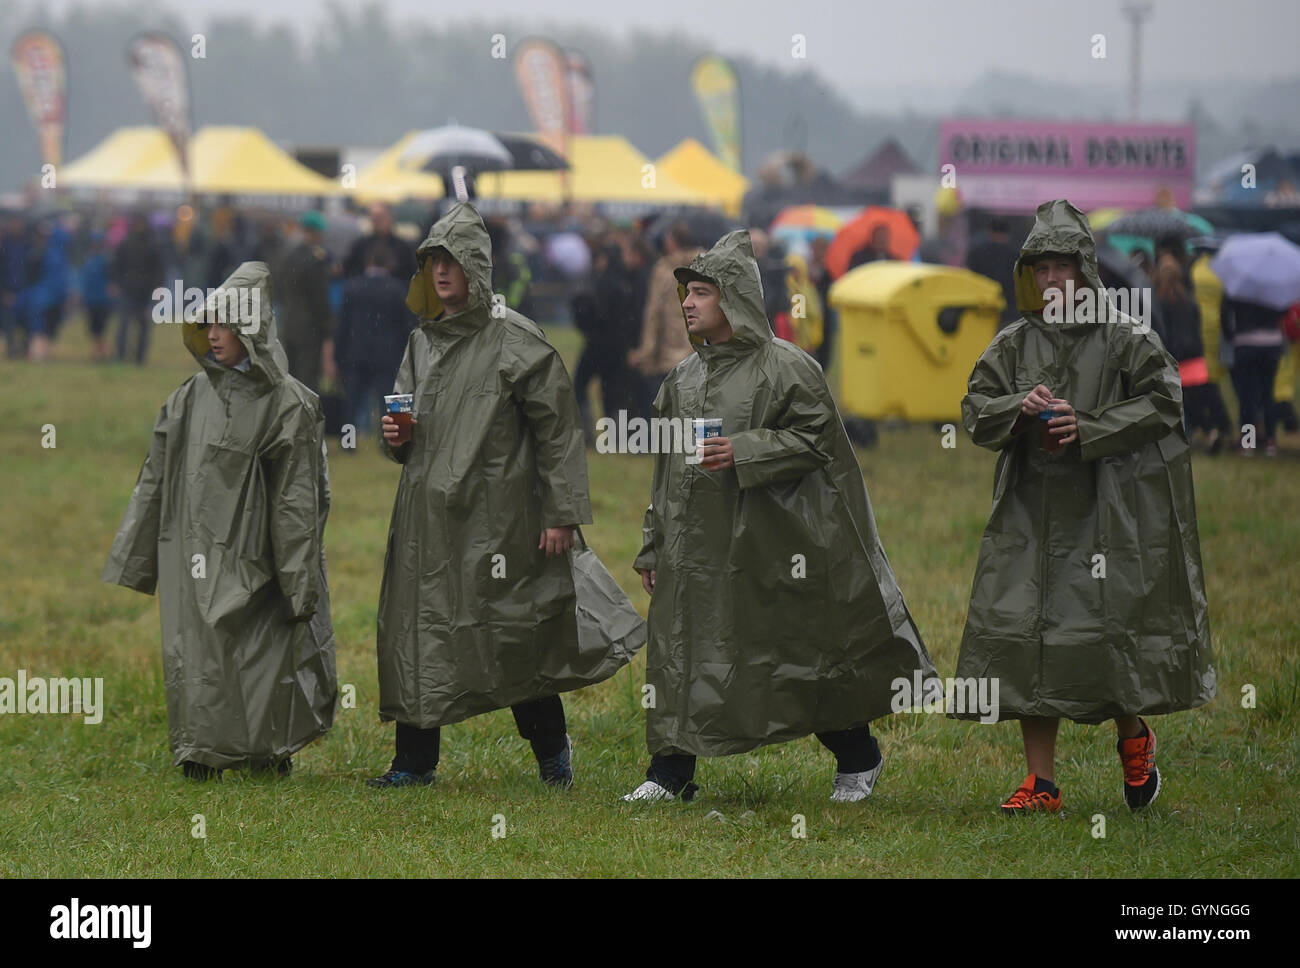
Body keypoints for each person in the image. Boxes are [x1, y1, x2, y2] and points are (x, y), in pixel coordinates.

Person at [627, 230, 936, 803]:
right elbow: (665, 472)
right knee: (682, 648)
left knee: (798, 652)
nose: (687, 303)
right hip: (697, 545)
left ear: (735, 297)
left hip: (776, 542)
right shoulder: (682, 380)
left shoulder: (789, 366)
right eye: (686, 293)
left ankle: (857, 755)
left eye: (701, 292)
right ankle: (669, 773)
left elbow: (818, 440)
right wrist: (653, 544)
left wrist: (744, 450)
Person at [955, 199, 1214, 815]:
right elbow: (973, 409)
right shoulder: (1014, 342)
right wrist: (1013, 408)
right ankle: (1041, 784)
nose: (1049, 282)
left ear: (1085, 270)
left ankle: (1134, 737)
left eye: (1061, 268)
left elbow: (1165, 399)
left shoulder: (1126, 337)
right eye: (1039, 269)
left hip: (1103, 513)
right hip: (1026, 513)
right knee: (1026, 634)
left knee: (1100, 635)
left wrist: (1092, 425)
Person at [371, 202, 635, 789]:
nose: (441, 273)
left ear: (477, 267)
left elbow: (558, 431)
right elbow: (401, 429)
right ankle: (413, 763)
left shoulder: (517, 339)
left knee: (515, 637)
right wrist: (395, 436)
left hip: (500, 519)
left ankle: (552, 754)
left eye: (452, 260)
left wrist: (561, 512)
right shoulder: (423, 343)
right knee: (421, 630)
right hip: (426, 519)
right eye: (432, 261)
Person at [102, 261, 337, 780]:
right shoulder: (188, 399)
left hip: (260, 555)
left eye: (226, 323)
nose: (214, 333)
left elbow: (298, 500)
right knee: (201, 652)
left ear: (251, 327)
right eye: (209, 322)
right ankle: (201, 751)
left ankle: (268, 750)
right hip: (195, 553)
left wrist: (298, 583)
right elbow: (154, 480)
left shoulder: (289, 405)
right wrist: (138, 559)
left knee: (264, 651)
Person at [1151, 255, 1230, 452]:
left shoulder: (1159, 304)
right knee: (1201, 398)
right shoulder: (1190, 301)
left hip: (1176, 358)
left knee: (1184, 403)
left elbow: (1162, 333)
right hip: (1196, 356)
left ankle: (1193, 434)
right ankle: (1211, 431)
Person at [334, 244, 414, 438]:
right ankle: (389, 441)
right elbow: (407, 326)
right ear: (389, 264)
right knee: (389, 403)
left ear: (368, 262)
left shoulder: (352, 287)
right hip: (388, 355)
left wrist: (338, 355)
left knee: (352, 404)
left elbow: (342, 325)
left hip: (356, 354)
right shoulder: (397, 289)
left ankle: (348, 443)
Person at [628, 221, 701, 421]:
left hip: (669, 346)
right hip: (700, 345)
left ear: (671, 243)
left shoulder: (664, 270)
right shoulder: (708, 266)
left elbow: (653, 315)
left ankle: (667, 443)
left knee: (668, 404)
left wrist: (647, 351)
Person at [1222, 294, 1286, 458]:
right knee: (1268, 394)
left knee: (1247, 397)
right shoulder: (1273, 285)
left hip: (1246, 342)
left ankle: (1248, 443)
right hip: (1272, 342)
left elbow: (1225, 314)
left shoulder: (1236, 286)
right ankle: (1270, 441)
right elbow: (1283, 310)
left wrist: (1232, 335)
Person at [277, 210, 334, 393]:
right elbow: (319, 299)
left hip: (289, 324)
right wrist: (328, 328)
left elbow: (281, 290)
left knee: (290, 378)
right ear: (315, 232)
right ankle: (305, 420)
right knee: (307, 382)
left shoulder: (290, 256)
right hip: (310, 328)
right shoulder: (314, 260)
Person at [111, 213, 165, 365]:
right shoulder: (128, 243)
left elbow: (159, 269)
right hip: (129, 289)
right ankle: (121, 356)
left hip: (145, 291)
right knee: (125, 325)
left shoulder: (152, 245)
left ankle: (139, 358)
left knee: (142, 326)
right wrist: (115, 283)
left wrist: (158, 289)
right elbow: (117, 265)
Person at [965, 216, 1020, 328]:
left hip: (982, 311)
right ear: (1008, 232)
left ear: (990, 231)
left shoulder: (977, 252)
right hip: (1010, 313)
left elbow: (969, 279)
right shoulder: (1017, 254)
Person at [343, 203, 416, 282]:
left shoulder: (402, 246)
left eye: (381, 218)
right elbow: (350, 270)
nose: (377, 222)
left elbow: (409, 273)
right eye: (374, 218)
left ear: (390, 218)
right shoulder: (360, 245)